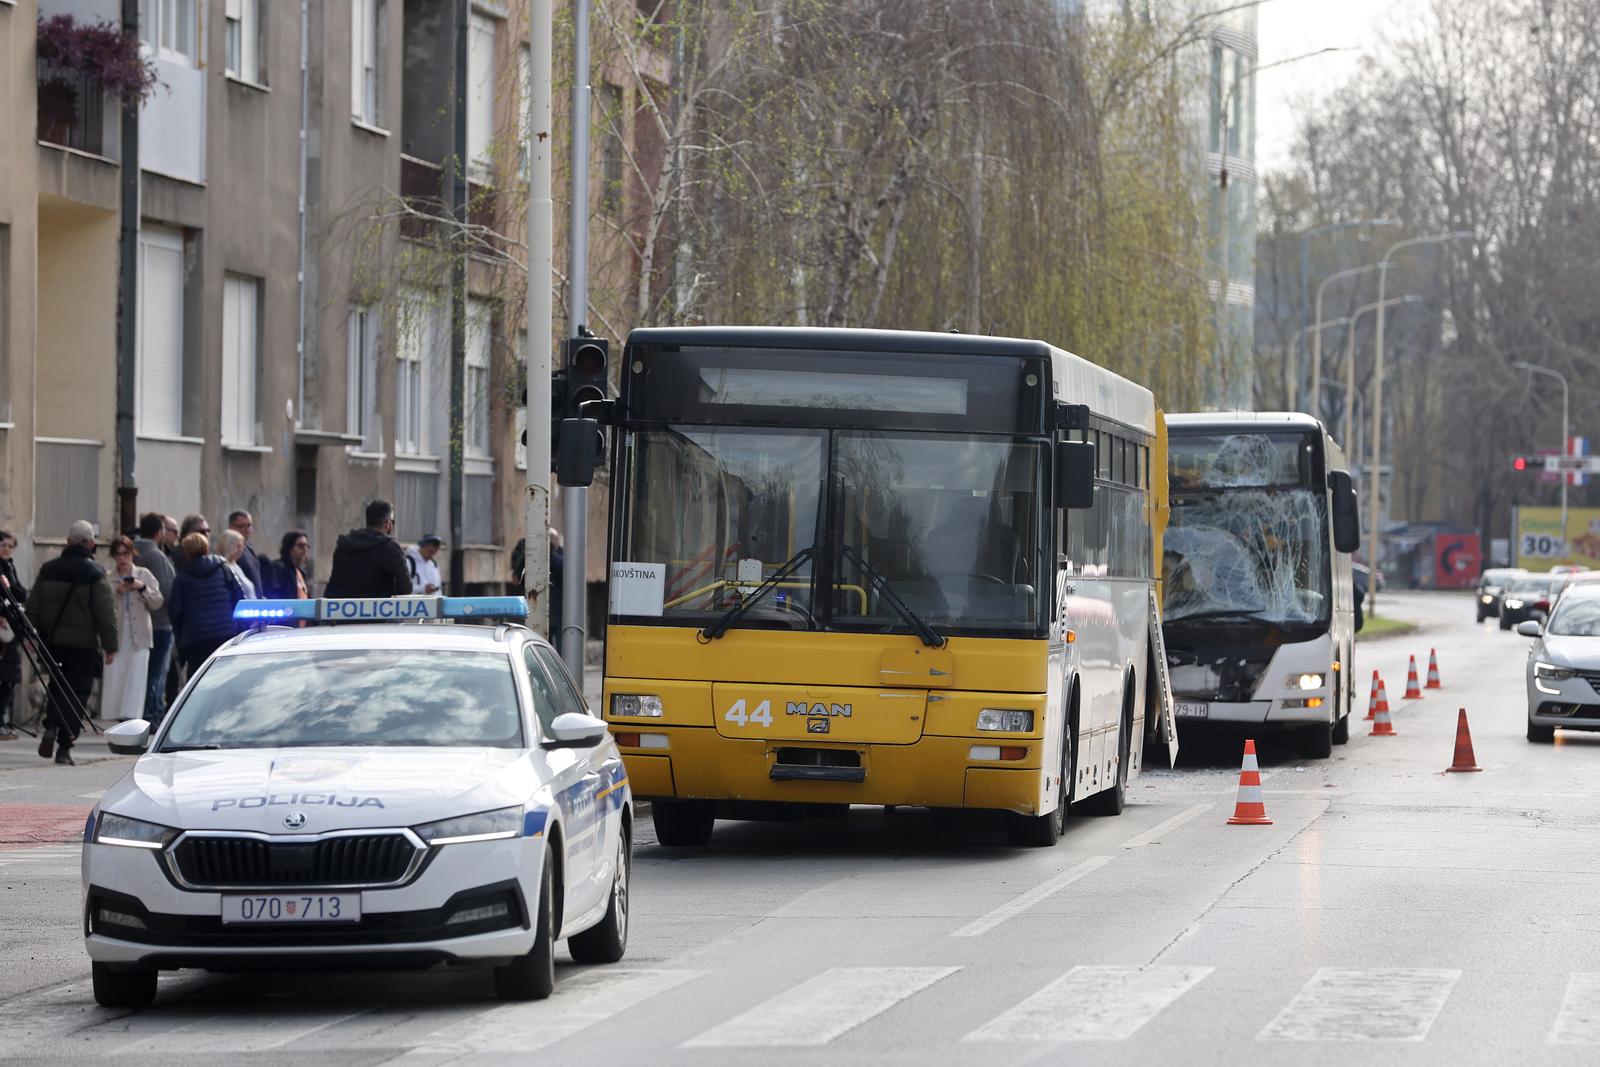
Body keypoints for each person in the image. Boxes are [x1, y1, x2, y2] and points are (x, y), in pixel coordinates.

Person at [25, 520, 118, 766]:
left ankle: (52, 725)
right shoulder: (95, 573)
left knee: (57, 687)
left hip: (52, 642)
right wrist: (111, 645)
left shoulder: (48, 569)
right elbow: (105, 614)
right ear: (90, 543)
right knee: (76, 694)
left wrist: (31, 636)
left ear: (68, 542)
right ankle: (64, 746)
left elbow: (33, 606)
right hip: (83, 646)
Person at [101, 536, 164, 722]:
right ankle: (114, 717)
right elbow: (102, 605)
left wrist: (141, 587)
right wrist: (117, 592)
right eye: (118, 554)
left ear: (132, 554)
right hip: (117, 634)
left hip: (140, 634)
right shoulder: (108, 577)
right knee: (115, 676)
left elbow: (158, 601)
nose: (122, 559)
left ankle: (132, 718)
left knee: (136, 676)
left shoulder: (143, 574)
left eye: (126, 553)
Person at [168, 532, 243, 676]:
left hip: (195, 638)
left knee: (199, 678)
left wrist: (180, 634)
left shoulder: (181, 577)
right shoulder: (223, 568)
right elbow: (239, 595)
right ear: (207, 548)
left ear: (187, 553)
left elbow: (175, 611)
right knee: (226, 675)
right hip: (225, 632)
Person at [131, 513, 177, 725]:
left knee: (143, 673)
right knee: (156, 674)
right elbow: (167, 591)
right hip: (159, 623)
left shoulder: (133, 552)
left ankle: (146, 712)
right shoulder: (156, 557)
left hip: (135, 623)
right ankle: (152, 714)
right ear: (159, 533)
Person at [324, 500, 411, 598]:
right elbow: (405, 589)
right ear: (388, 523)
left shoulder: (344, 544)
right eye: (393, 522)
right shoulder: (390, 548)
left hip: (339, 609)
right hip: (374, 610)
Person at [0, 530, 25, 739]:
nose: (6, 549)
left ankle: (3, 720)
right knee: (6, 676)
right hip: (3, 629)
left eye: (10, 545)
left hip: (11, 628)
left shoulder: (9, 566)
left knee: (10, 677)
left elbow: (19, 592)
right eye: (3, 545)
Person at [262, 530, 312, 600]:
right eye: (301, 546)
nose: (305, 549)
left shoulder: (301, 572)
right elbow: (273, 594)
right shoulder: (278, 568)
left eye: (307, 546)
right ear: (289, 548)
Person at [227, 510, 264, 595]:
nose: (247, 530)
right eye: (242, 526)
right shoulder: (230, 549)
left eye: (249, 526)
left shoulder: (248, 548)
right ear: (231, 527)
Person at [217, 528, 258, 599]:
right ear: (229, 546)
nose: (241, 550)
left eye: (242, 547)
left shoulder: (236, 567)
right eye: (238, 546)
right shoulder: (221, 569)